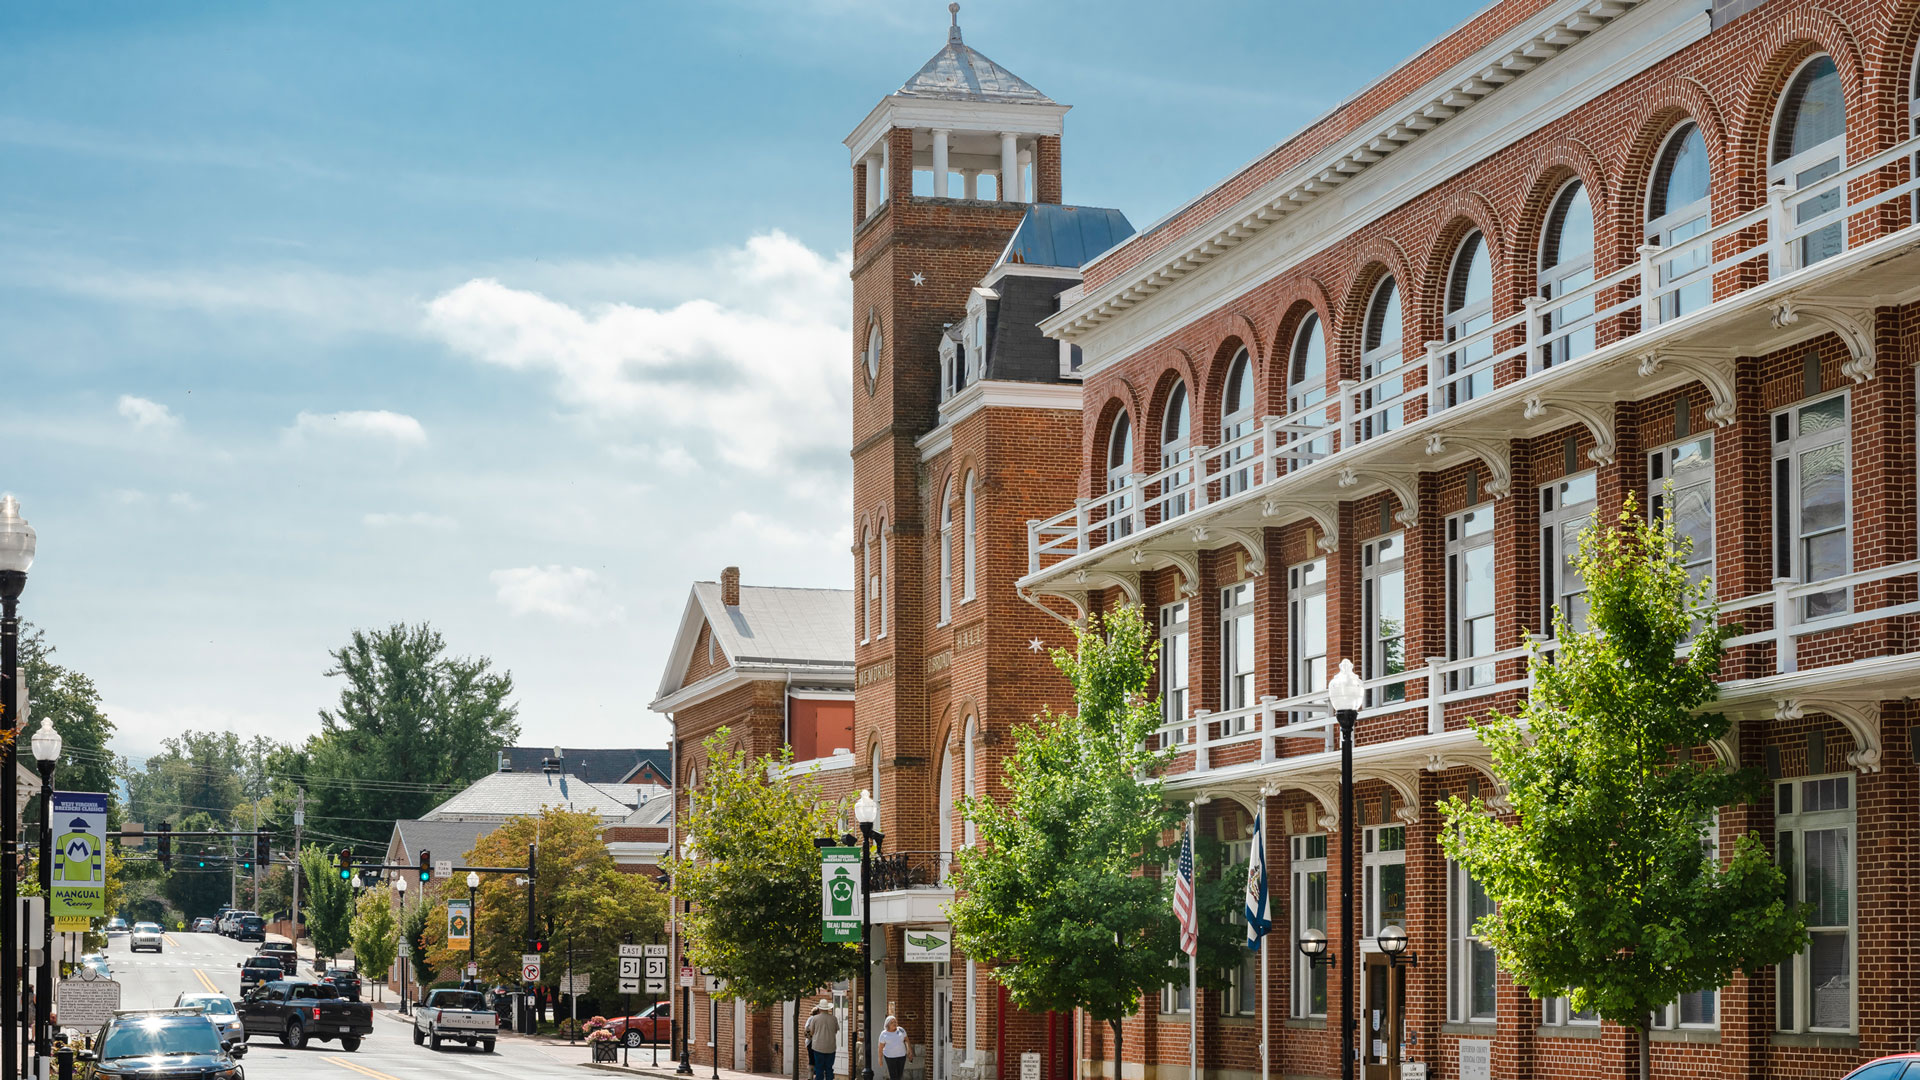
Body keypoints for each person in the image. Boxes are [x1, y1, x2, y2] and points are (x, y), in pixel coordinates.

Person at [805, 999, 840, 1080]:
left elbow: (811, 1032)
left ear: (820, 1009)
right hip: (831, 1047)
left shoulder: (815, 1018)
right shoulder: (833, 1018)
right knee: (829, 1069)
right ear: (828, 1008)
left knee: (819, 1068)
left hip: (818, 1047)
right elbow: (835, 1031)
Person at [878, 1015, 909, 1080]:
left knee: (899, 1075)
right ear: (887, 1025)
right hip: (890, 1057)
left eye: (895, 1022)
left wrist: (910, 1051)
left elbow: (907, 1040)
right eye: (892, 1022)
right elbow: (880, 1047)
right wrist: (880, 1059)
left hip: (902, 1056)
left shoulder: (901, 1030)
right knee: (894, 1076)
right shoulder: (884, 1034)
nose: (894, 1023)